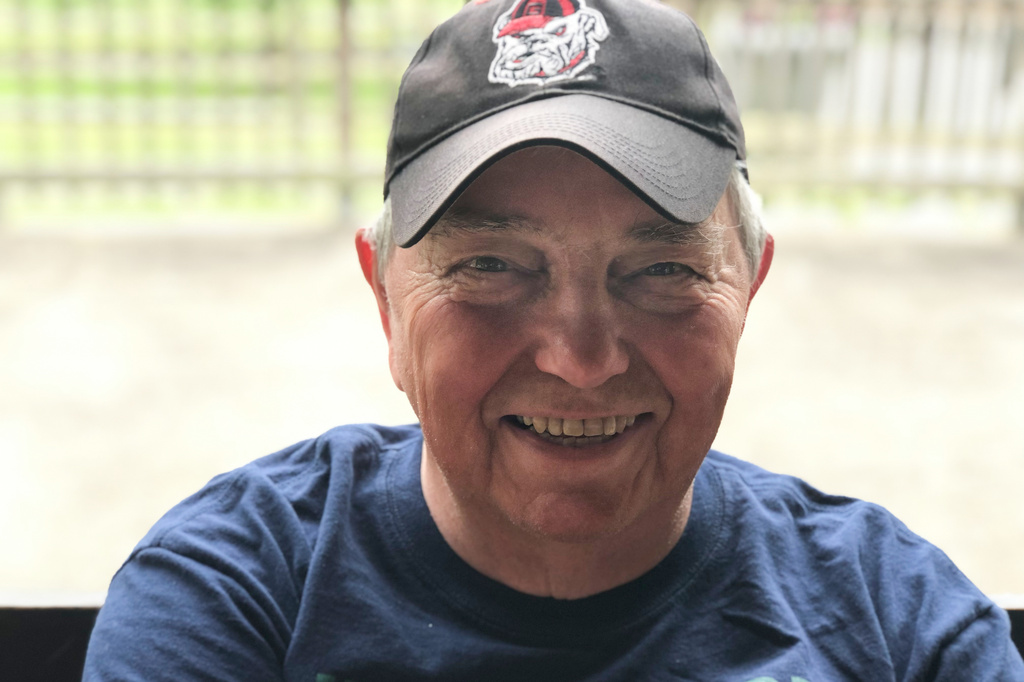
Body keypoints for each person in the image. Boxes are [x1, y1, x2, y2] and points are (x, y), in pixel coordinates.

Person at [83, 1, 1024, 680]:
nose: (581, 357)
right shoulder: (234, 594)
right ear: (384, 296)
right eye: (491, 267)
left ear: (748, 284)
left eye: (661, 272)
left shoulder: (899, 624)